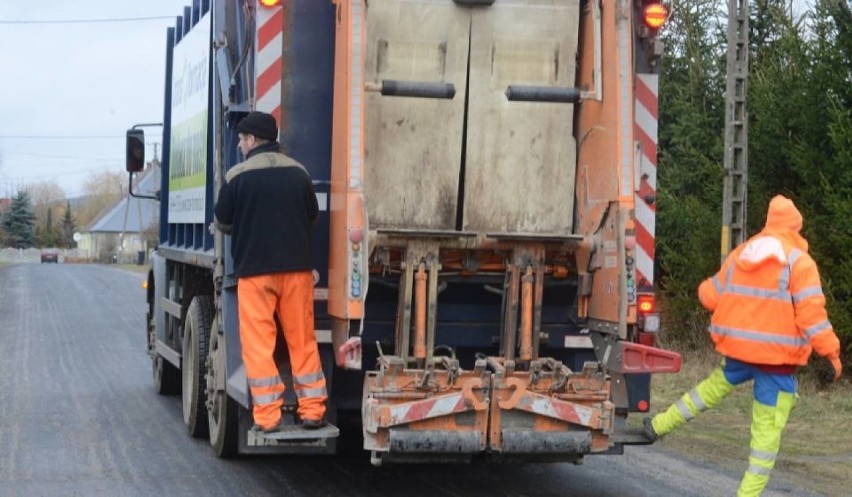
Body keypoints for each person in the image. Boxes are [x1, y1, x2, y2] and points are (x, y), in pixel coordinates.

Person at [644, 194, 842, 497]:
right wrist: (831, 353)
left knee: (704, 393)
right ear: (795, 228)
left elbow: (708, 296)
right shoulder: (800, 263)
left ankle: (657, 426)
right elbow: (813, 316)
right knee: (763, 442)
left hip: (738, 353)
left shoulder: (742, 254)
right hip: (776, 364)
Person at [214, 111, 326, 432]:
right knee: (302, 341)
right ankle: (313, 411)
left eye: (241, 139)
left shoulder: (237, 176)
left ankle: (267, 417)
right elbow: (312, 216)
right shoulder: (299, 172)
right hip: (297, 272)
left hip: (256, 273)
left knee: (259, 345)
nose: (239, 144)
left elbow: (223, 222)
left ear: (251, 140)